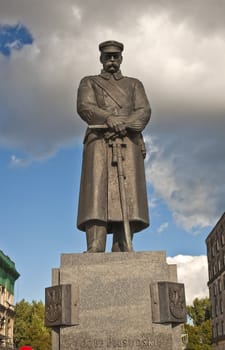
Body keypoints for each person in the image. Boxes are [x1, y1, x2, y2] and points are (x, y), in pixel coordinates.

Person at [77, 40, 151, 252]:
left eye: (115, 56)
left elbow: (144, 110)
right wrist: (109, 118)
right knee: (96, 192)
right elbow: (85, 106)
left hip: (128, 139)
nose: (111, 60)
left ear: (121, 58)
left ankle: (122, 243)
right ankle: (95, 244)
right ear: (101, 58)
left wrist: (124, 124)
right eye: (107, 56)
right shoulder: (89, 82)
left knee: (127, 194)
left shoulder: (134, 84)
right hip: (98, 140)